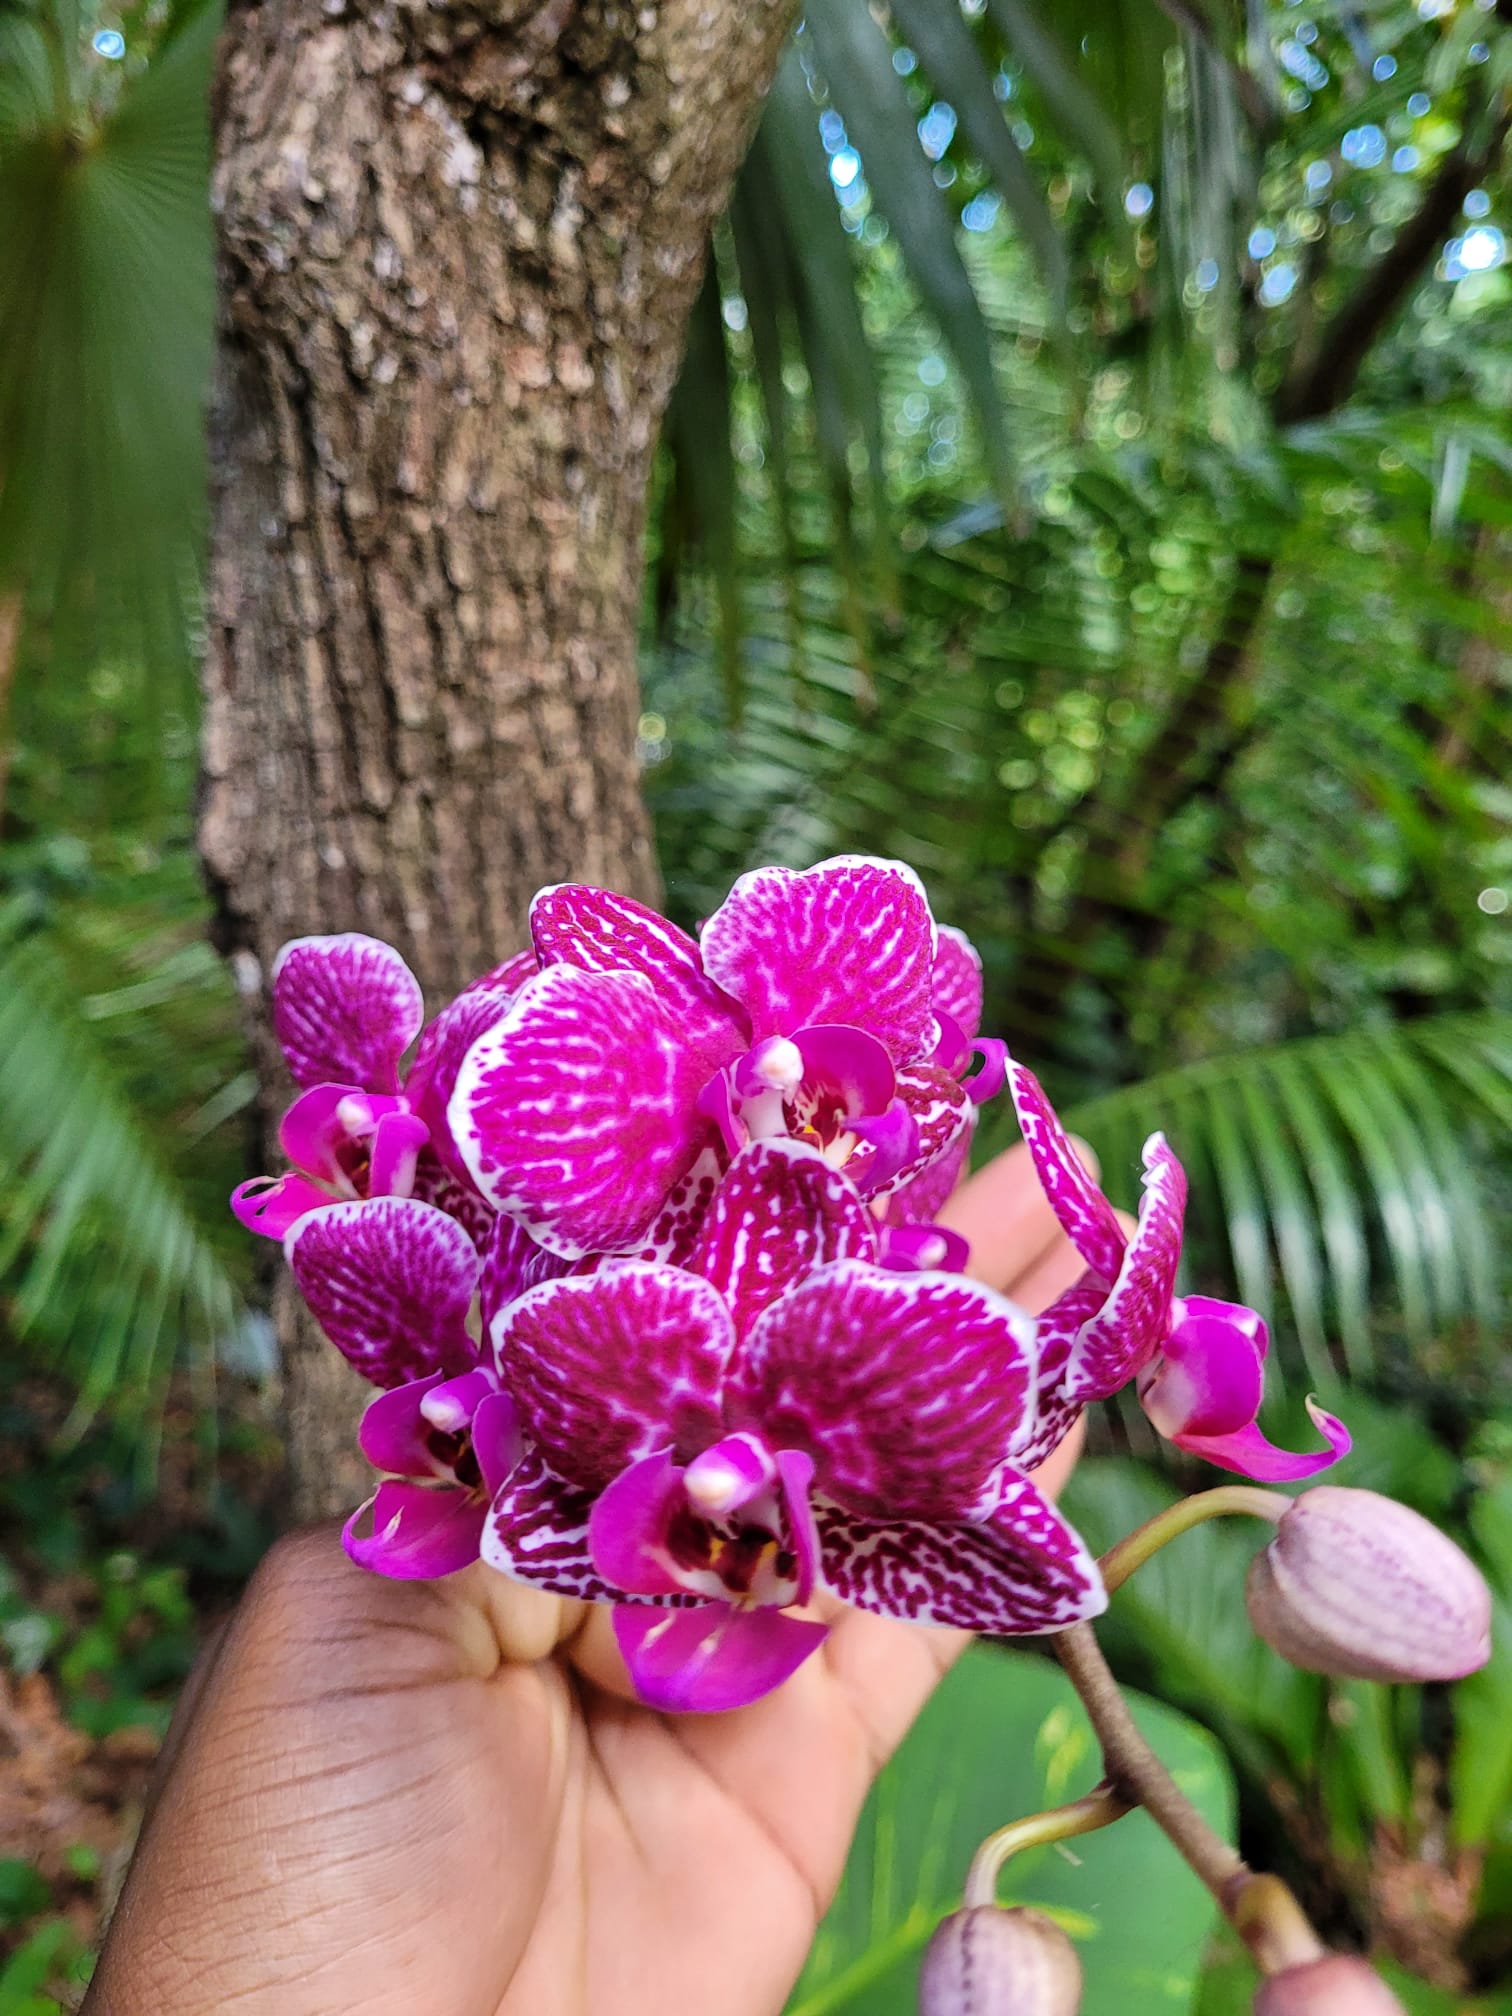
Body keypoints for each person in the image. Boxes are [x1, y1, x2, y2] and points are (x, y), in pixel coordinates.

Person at [84, 1143, 1089, 2016]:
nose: (724, 1529)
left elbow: (1008, 1557)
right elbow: (534, 1507)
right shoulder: (538, 1478)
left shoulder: (848, 1504)